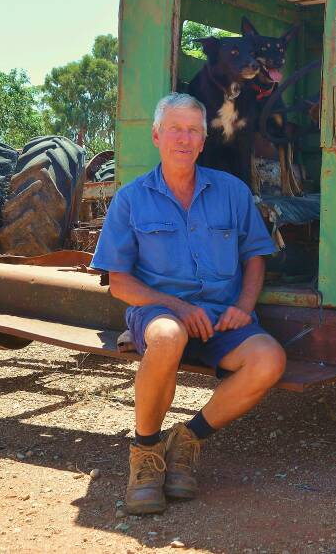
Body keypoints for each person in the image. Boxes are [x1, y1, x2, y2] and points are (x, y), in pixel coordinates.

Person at [90, 92, 287, 515]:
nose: (184, 138)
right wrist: (177, 308)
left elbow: (255, 255)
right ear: (157, 135)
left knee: (269, 360)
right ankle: (145, 452)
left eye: (193, 131)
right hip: (160, 312)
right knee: (166, 336)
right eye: (175, 129)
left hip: (220, 316)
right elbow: (120, 282)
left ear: (202, 142)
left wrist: (244, 305)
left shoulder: (232, 193)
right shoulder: (131, 199)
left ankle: (188, 439)